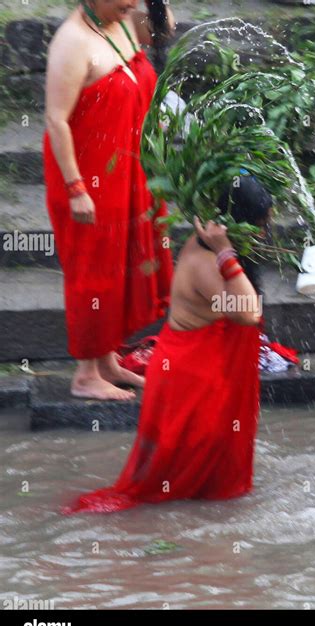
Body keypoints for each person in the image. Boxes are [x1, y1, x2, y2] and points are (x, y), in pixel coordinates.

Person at [63, 175, 272, 513]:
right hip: (191, 384)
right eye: (258, 225)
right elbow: (248, 314)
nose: (263, 234)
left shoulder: (213, 251)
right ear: (235, 224)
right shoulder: (209, 260)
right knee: (176, 492)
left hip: (197, 375)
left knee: (201, 492)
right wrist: (225, 252)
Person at [43, 0, 175, 401]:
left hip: (128, 172)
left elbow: (164, 28)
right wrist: (76, 188)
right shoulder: (71, 41)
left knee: (120, 267)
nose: (132, 4)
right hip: (87, 177)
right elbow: (55, 119)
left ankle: (107, 362)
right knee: (95, 270)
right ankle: (85, 375)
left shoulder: (120, 19)